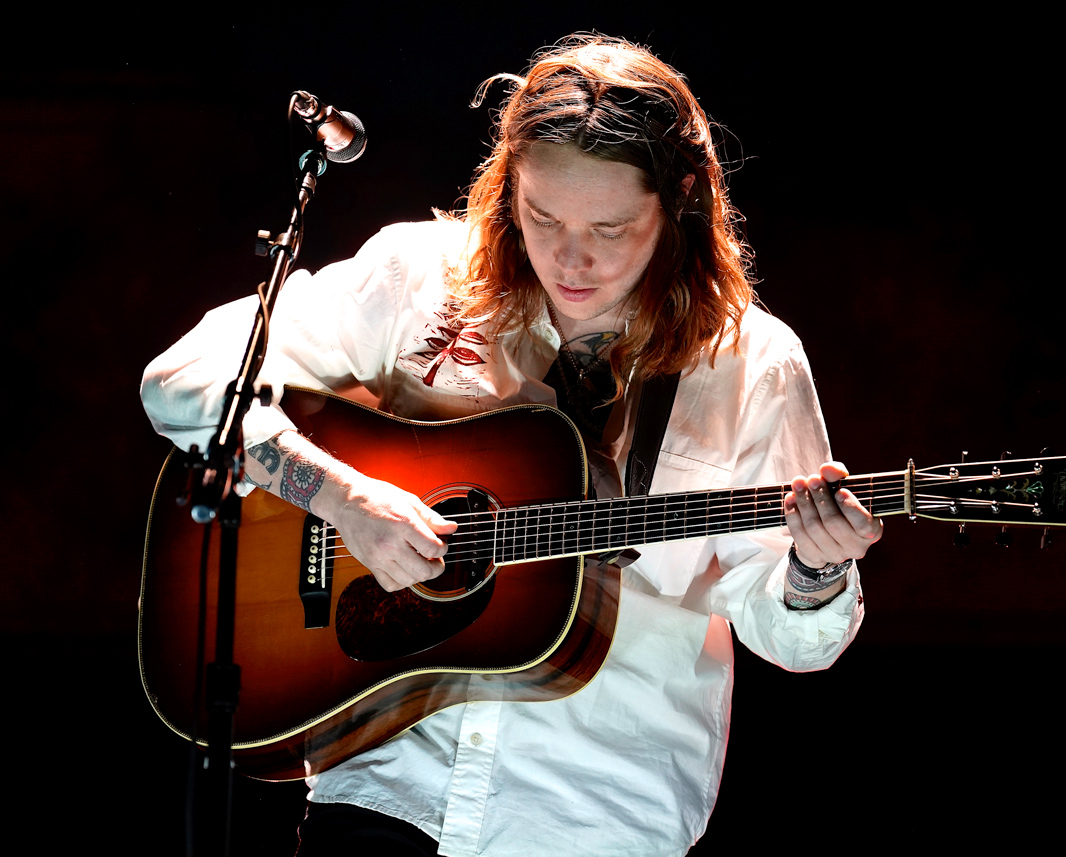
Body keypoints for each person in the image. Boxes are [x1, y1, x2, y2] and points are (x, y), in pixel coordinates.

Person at [142, 34, 882, 857]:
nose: (571, 257)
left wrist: (816, 567)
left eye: (610, 227)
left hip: (596, 811)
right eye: (542, 216)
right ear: (508, 186)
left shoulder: (752, 363)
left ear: (677, 203)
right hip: (386, 785)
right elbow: (184, 377)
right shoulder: (420, 277)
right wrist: (339, 496)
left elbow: (790, 634)